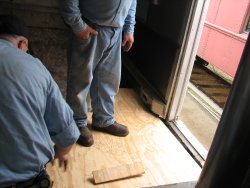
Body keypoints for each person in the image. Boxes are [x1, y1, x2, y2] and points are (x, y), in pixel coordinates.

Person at [0, 15, 80, 188]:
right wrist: (61, 152)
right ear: (22, 44)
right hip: (23, 181)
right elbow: (68, 133)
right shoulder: (33, 65)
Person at [59, 0, 137, 147]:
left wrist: (129, 28)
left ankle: (104, 120)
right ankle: (77, 123)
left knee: (109, 78)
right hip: (91, 26)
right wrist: (78, 25)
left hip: (117, 31)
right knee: (80, 79)